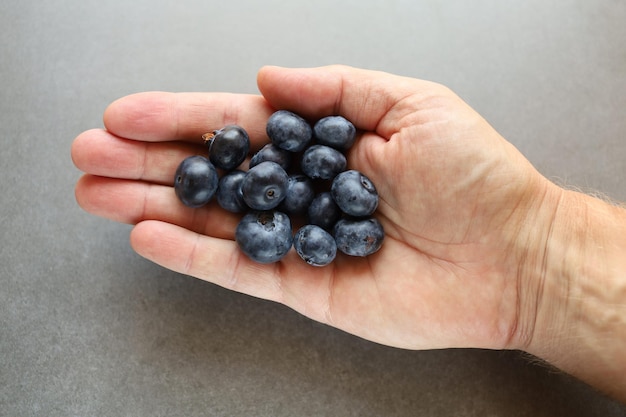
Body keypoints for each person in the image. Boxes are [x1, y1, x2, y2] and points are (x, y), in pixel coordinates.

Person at [71, 65, 626, 402]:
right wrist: (539, 259)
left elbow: (305, 194)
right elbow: (281, 192)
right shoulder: (278, 180)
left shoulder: (315, 186)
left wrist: (533, 244)